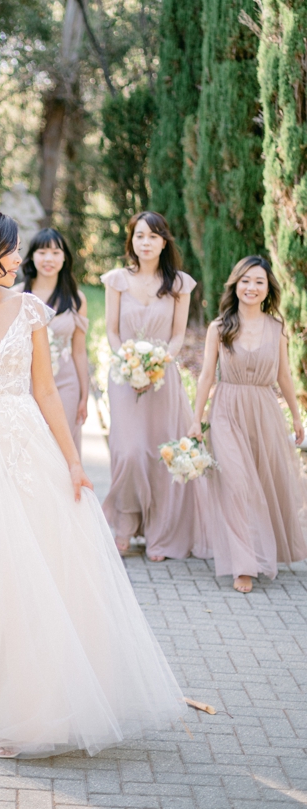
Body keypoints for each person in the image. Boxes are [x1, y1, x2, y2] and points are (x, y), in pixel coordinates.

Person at [0, 209, 185, 758]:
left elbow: (46, 393)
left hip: (26, 450)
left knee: (31, 573)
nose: (18, 259)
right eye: (10, 249)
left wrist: (73, 462)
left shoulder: (31, 312)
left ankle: (29, 710)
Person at [189, 256, 307, 592]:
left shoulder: (277, 328)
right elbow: (207, 376)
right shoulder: (219, 327)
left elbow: (284, 375)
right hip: (226, 409)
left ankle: (261, 552)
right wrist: (195, 420)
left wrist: (297, 417)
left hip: (264, 411)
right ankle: (243, 565)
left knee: (261, 486)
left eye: (259, 281)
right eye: (245, 280)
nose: (251, 287)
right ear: (235, 284)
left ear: (268, 288)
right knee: (237, 484)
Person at [101, 212, 204, 560]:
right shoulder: (116, 280)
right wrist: (128, 362)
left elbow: (178, 336)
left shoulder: (180, 285)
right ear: (131, 241)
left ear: (164, 242)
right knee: (129, 453)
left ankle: (160, 535)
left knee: (160, 454)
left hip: (164, 379)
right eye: (139, 236)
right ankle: (125, 525)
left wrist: (159, 363)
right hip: (124, 377)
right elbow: (112, 331)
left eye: (152, 236)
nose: (145, 242)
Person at [21, 228, 90, 453]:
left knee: (63, 447)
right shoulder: (16, 296)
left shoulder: (76, 299)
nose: (48, 258)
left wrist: (84, 395)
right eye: (42, 252)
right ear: (32, 257)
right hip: (26, 384)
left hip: (65, 384)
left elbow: (79, 351)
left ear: (64, 258)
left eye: (55, 252)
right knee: (32, 448)